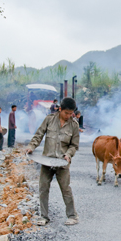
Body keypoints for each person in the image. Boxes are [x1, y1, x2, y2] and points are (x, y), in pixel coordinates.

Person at [25, 97, 80, 226]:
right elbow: (38, 135)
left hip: (62, 162)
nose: (68, 116)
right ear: (60, 109)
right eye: (66, 113)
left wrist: (68, 154)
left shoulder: (74, 125)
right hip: (47, 161)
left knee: (66, 189)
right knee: (43, 188)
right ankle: (43, 216)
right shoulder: (49, 120)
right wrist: (31, 147)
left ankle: (72, 216)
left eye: (71, 113)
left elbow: (74, 145)